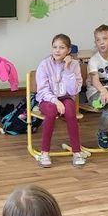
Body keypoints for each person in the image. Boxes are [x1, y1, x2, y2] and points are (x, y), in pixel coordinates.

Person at [35, 33, 85, 168]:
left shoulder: (74, 64)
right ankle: (44, 153)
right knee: (51, 111)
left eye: (61, 48)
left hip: (66, 97)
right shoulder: (44, 64)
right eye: (55, 47)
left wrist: (67, 69)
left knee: (70, 110)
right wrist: (56, 102)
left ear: (68, 50)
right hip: (47, 99)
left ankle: (77, 152)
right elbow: (42, 90)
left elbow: (73, 91)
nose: (57, 50)